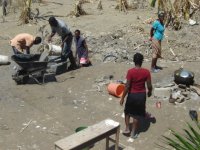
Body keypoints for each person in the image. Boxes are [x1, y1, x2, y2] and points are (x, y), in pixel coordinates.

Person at [120, 53, 152, 139]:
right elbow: (149, 85)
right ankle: (133, 133)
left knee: (127, 112)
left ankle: (127, 128)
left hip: (132, 95)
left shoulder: (130, 72)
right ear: (142, 61)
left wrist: (122, 98)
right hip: (141, 96)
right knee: (137, 115)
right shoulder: (146, 72)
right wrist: (150, 92)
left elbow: (127, 86)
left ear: (134, 61)